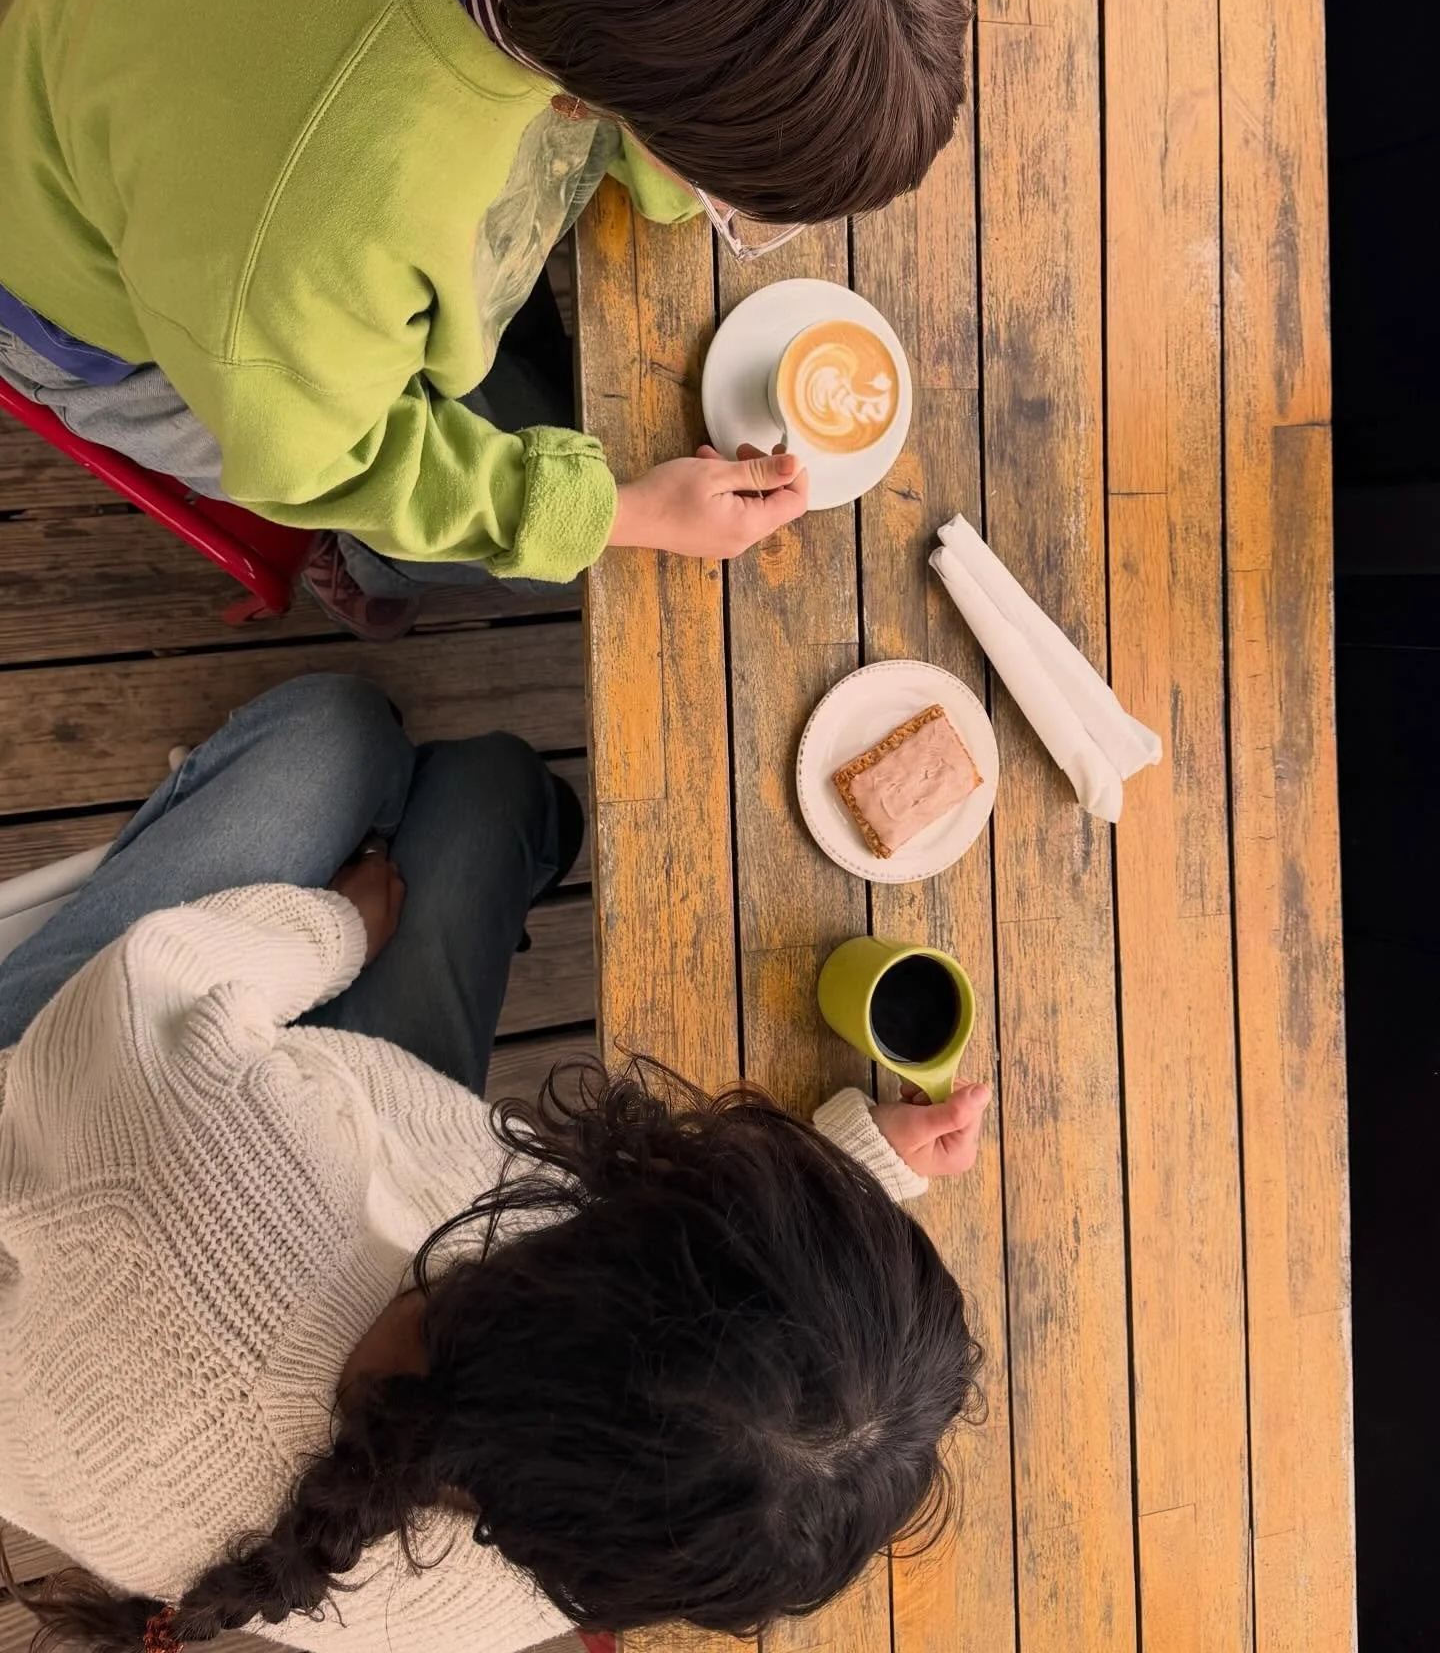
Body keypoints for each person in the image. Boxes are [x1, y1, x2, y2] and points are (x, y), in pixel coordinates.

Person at [0, 673, 992, 1653]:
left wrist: (340, 927)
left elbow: (146, 989)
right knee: (499, 798)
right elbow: (702, 1399)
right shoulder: (550, 1553)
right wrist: (860, 1165)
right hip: (340, 1180)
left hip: (73, 1103)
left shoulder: (200, 1173)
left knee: (348, 733)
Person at [0, 0, 972, 639]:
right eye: (732, 206)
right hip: (93, 299)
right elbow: (332, 461)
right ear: (593, 94)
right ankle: (377, 575)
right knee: (462, 527)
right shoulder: (323, 222)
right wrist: (623, 514)